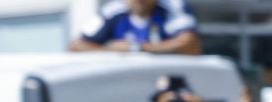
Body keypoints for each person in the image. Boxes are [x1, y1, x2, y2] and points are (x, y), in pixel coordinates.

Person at [69, 0, 201, 53]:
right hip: (123, 81)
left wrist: (136, 48)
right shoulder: (113, 10)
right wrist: (111, 52)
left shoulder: (173, 6)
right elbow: (76, 46)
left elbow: (191, 45)